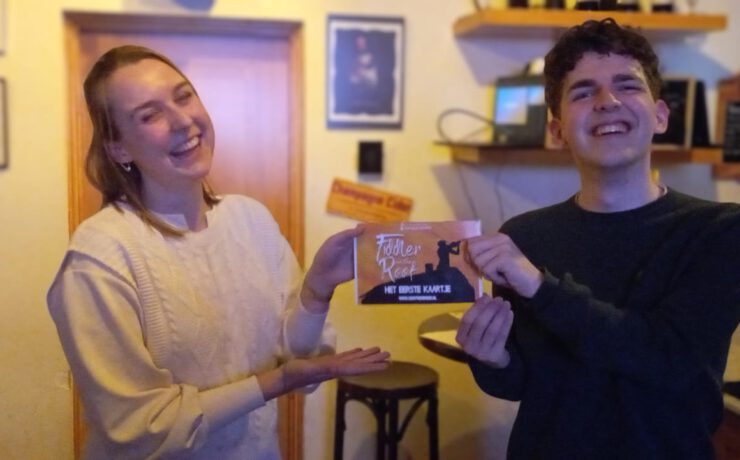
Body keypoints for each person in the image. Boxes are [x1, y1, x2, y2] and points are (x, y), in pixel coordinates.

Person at [47, 45, 390, 460]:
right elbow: (138, 429)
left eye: (184, 95)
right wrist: (276, 383)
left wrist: (317, 289)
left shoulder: (250, 218)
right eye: (150, 115)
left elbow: (297, 357)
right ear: (118, 148)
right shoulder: (100, 256)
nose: (182, 120)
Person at [456, 18, 740, 460]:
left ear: (660, 115)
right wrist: (492, 358)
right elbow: (522, 383)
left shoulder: (718, 231)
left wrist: (540, 287)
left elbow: (670, 360)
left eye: (627, 85)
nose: (608, 101)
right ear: (557, 131)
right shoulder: (524, 237)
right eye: (583, 92)